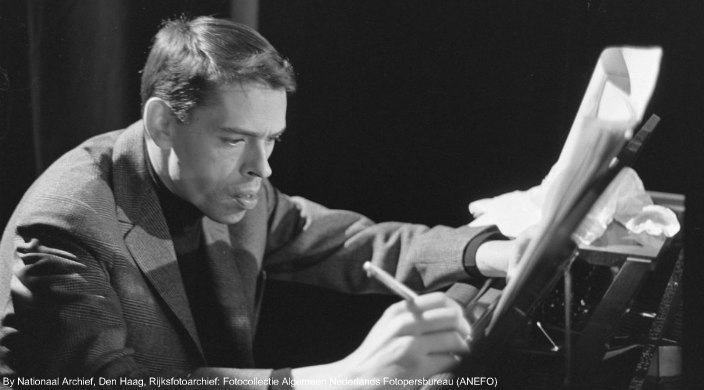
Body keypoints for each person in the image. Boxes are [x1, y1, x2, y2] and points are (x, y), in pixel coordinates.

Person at [0, 16, 525, 389]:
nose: (262, 166)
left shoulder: (237, 184)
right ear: (163, 124)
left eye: (271, 138)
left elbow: (349, 242)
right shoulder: (66, 226)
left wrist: (483, 253)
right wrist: (343, 378)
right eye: (233, 139)